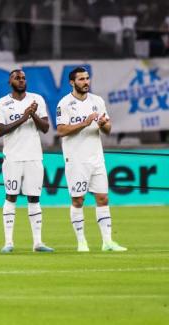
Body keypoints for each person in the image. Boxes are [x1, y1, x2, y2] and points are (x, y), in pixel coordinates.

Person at [56, 67, 127, 252]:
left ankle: (107, 242)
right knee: (78, 200)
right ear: (72, 82)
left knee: (103, 198)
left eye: (87, 78)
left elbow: (108, 129)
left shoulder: (97, 101)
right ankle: (81, 242)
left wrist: (104, 125)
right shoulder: (64, 104)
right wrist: (85, 123)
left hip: (96, 157)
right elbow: (61, 130)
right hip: (76, 159)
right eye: (81, 79)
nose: (86, 82)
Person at [0, 69, 54, 253]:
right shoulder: (2, 103)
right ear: (10, 82)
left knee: (34, 198)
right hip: (12, 157)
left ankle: (37, 243)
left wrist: (33, 114)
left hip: (34, 156)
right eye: (17, 78)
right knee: (11, 196)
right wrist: (24, 117)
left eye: (23, 78)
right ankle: (8, 242)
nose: (21, 80)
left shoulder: (37, 100)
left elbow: (45, 128)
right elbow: (0, 130)